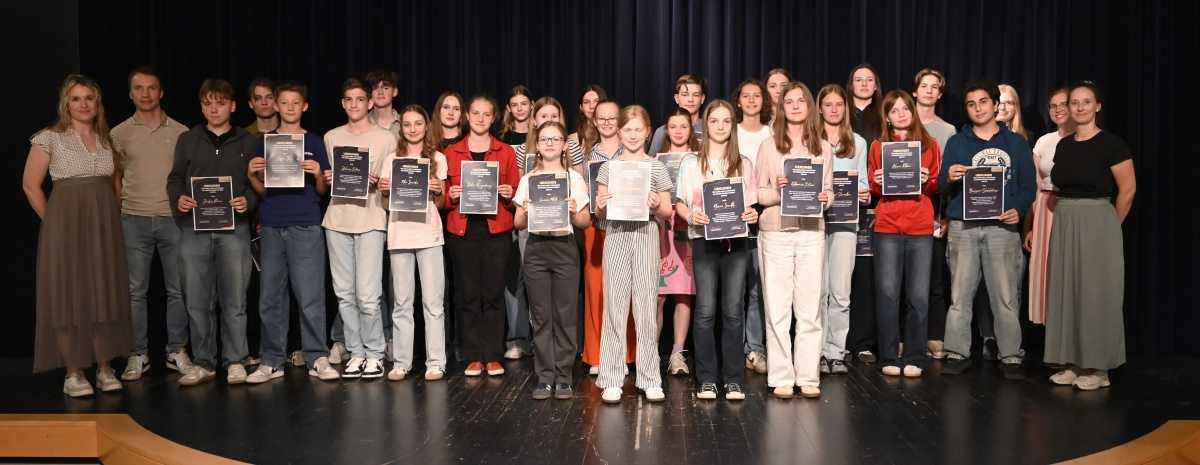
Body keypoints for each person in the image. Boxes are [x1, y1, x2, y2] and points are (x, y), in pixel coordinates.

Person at [23, 74, 132, 397]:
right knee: (68, 297)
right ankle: (73, 374)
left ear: (97, 104)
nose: (83, 104)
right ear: (66, 104)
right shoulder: (49, 138)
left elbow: (115, 188)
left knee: (103, 294)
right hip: (65, 229)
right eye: (76, 98)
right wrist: (54, 222)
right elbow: (30, 185)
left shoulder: (107, 140)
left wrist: (111, 219)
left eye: (89, 98)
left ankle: (104, 367)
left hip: (103, 229)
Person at [939, 81, 1036, 380]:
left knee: (1005, 296)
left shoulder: (1016, 143)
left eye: (983, 101)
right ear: (966, 109)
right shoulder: (957, 143)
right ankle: (957, 351)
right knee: (960, 295)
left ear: (995, 105)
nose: (978, 108)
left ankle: (1010, 355)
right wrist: (950, 176)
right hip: (964, 227)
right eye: (971, 103)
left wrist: (1017, 210)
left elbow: (1028, 187)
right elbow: (941, 186)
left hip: (1001, 229)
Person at [245, 82, 340, 383]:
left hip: (306, 223)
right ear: (275, 106)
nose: (288, 108)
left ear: (304, 107)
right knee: (270, 296)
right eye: (283, 102)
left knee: (310, 295)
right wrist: (251, 175)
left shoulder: (313, 141)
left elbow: (323, 190)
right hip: (272, 224)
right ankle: (271, 360)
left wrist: (317, 175)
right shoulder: (264, 142)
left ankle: (317, 357)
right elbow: (262, 192)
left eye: (294, 103)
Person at [1044, 81, 1135, 390]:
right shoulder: (1064, 145)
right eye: (1074, 102)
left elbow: (1128, 190)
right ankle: (1070, 361)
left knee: (1096, 294)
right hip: (1066, 219)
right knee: (1066, 290)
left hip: (1098, 220)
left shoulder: (1112, 144)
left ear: (1097, 106)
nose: (1080, 107)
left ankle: (1098, 368)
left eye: (1086, 102)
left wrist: (1110, 225)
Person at [167, 78, 257, 386]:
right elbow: (175, 179)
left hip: (235, 229)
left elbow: (258, 184)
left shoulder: (247, 141)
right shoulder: (188, 139)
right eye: (207, 103)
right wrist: (179, 198)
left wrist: (250, 199)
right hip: (195, 228)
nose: (214, 109)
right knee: (197, 299)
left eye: (220, 103)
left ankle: (236, 360)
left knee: (235, 299)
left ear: (232, 106)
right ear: (201, 106)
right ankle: (204, 361)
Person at [674, 100, 760, 401]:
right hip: (703, 241)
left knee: (733, 311)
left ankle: (733, 379)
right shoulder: (690, 163)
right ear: (705, 125)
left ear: (732, 126)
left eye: (726, 121)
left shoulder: (744, 164)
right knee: (706, 310)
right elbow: (680, 203)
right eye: (715, 121)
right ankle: (708, 379)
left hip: (736, 243)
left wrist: (753, 215)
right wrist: (690, 216)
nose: (721, 126)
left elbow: (750, 205)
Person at [110, 67, 192, 381]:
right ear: (130, 94)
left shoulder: (181, 132)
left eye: (151, 88)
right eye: (139, 88)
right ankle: (137, 354)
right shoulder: (118, 133)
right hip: (134, 219)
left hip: (173, 219)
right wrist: (123, 209)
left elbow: (186, 177)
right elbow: (115, 178)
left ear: (161, 93)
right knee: (134, 292)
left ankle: (176, 350)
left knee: (178, 290)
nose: (145, 94)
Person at [754, 82, 830, 398]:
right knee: (777, 307)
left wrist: (828, 197)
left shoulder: (823, 146)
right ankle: (782, 375)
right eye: (789, 101)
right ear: (782, 107)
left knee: (810, 307)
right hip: (776, 232)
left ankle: (808, 376)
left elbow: (829, 192)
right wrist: (778, 190)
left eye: (801, 100)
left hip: (812, 231)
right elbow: (758, 193)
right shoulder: (769, 145)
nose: (796, 105)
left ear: (810, 107)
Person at [594, 105, 674, 403]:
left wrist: (656, 205)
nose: (632, 135)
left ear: (647, 132)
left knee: (645, 307)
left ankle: (650, 377)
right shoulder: (608, 168)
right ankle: (612, 376)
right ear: (619, 131)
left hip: (645, 236)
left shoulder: (656, 167)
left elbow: (667, 211)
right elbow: (600, 214)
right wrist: (600, 203)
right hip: (615, 236)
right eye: (627, 129)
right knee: (614, 306)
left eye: (638, 129)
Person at [320, 78, 394, 380]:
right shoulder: (331, 137)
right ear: (342, 104)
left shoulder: (386, 138)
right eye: (348, 99)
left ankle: (375, 352)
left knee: (368, 293)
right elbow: (328, 182)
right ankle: (355, 351)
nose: (354, 105)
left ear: (370, 103)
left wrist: (380, 181)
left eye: (360, 99)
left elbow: (390, 182)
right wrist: (327, 177)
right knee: (344, 293)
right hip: (337, 219)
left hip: (371, 218)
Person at [512, 121, 592, 400]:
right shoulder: (528, 179)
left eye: (555, 139)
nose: (549, 144)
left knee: (566, 315)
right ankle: (545, 377)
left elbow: (584, 221)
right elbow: (518, 223)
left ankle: (564, 376)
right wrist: (523, 211)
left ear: (563, 145)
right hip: (536, 249)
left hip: (564, 248)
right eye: (544, 139)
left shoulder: (574, 178)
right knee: (542, 316)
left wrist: (572, 210)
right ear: (538, 144)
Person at [444, 94, 520, 377]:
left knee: (492, 294)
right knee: (467, 294)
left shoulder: (505, 152)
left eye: (486, 114)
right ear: (467, 116)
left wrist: (510, 194)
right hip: (462, 231)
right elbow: (443, 199)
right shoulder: (452, 152)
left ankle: (493, 355)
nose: (480, 118)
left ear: (493, 118)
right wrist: (451, 196)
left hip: (495, 230)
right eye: (475, 113)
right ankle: (473, 355)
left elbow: (515, 194)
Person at [866, 90, 941, 378]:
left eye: (905, 109)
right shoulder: (878, 146)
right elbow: (873, 185)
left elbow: (935, 183)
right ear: (886, 116)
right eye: (893, 110)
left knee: (918, 296)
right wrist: (877, 181)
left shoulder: (929, 144)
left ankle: (915, 355)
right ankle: (888, 355)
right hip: (887, 225)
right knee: (887, 294)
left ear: (913, 111)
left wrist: (927, 179)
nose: (900, 114)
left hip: (920, 226)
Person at [377, 105, 449, 381]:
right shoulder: (392, 160)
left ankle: (436, 362)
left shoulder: (438, 159)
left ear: (426, 126)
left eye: (418, 124)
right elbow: (385, 204)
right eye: (407, 124)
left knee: (433, 303)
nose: (412, 129)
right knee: (402, 303)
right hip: (399, 235)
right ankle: (402, 362)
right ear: (401, 128)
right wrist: (383, 191)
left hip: (428, 235)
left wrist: (438, 190)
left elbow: (441, 204)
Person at [815, 84, 870, 376]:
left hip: (846, 222)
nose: (834, 109)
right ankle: (817, 351)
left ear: (845, 109)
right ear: (820, 108)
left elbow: (863, 184)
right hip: (815, 222)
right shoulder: (811, 141)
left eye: (839, 104)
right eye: (828, 104)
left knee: (840, 291)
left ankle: (836, 351)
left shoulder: (858, 143)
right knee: (818, 290)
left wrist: (864, 193)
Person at [581, 100, 636, 376]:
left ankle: (623, 356)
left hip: (626, 229)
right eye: (601, 118)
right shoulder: (587, 155)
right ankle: (595, 356)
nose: (606, 123)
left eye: (612, 118)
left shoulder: (632, 151)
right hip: (596, 228)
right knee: (596, 293)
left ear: (620, 120)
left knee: (624, 292)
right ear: (594, 121)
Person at [911, 68, 961, 360]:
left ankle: (934, 334)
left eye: (935, 87)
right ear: (915, 90)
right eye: (924, 86)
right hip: (902, 208)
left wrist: (945, 217)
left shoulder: (947, 131)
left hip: (933, 210)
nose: (929, 91)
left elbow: (948, 180)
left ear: (940, 94)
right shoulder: (899, 121)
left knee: (934, 277)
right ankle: (907, 335)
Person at [1024, 86, 1074, 325]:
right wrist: (1031, 227)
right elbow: (1035, 186)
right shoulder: (1044, 142)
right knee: (1045, 272)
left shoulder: (1086, 138)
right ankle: (1052, 338)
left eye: (1063, 104)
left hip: (1072, 206)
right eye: (1053, 106)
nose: (1057, 110)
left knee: (1070, 273)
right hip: (1045, 208)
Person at [845, 63, 884, 364]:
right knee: (842, 276)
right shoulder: (838, 112)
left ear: (876, 85)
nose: (863, 83)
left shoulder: (883, 115)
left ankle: (864, 341)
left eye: (869, 79)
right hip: (840, 207)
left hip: (873, 204)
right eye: (858, 79)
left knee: (867, 276)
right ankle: (839, 342)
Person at [733, 79, 772, 374]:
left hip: (765, 212)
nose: (751, 100)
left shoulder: (772, 133)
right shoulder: (730, 131)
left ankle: (755, 348)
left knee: (758, 287)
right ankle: (734, 347)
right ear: (738, 101)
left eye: (756, 96)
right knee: (735, 287)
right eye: (745, 96)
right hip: (732, 216)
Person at [657, 108, 698, 376]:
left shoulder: (699, 160)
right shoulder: (654, 161)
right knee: (657, 296)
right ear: (667, 130)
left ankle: (677, 354)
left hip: (688, 229)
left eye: (684, 126)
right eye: (674, 126)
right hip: (661, 230)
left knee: (684, 293)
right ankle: (648, 352)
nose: (679, 131)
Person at [648, 74, 706, 156]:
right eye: (685, 95)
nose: (690, 99)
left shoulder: (709, 129)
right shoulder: (662, 132)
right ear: (677, 98)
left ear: (702, 98)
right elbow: (651, 163)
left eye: (696, 95)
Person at [569, 84, 607, 156]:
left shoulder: (617, 136)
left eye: (596, 101)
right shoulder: (574, 140)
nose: (592, 106)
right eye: (586, 102)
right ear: (581, 107)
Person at [366, 69, 401, 137]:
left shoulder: (406, 122)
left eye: (385, 88)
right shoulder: (361, 124)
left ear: (395, 92)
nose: (380, 92)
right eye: (375, 88)